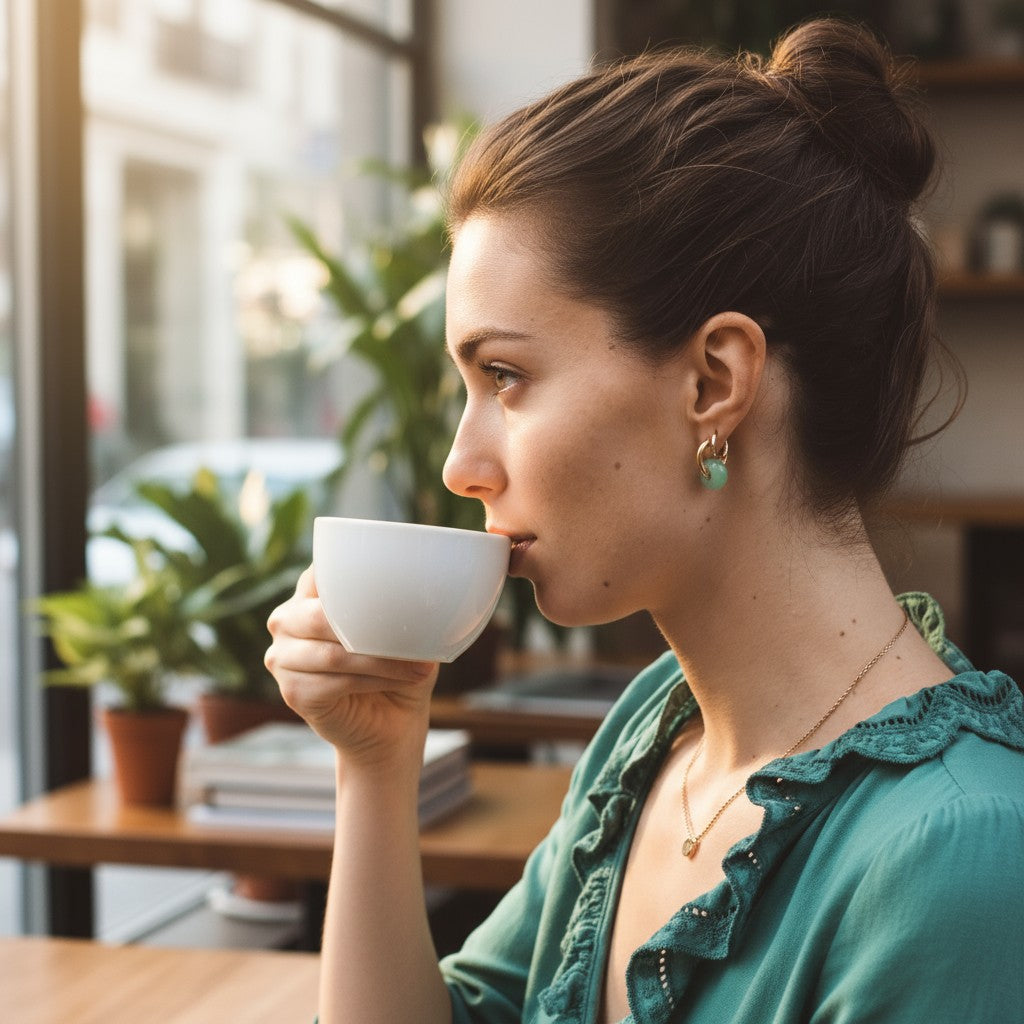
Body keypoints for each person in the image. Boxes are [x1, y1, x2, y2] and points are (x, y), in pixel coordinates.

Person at [265, 18, 1024, 1024]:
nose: (460, 463)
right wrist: (376, 761)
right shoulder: (654, 732)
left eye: (505, 376)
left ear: (714, 380)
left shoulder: (958, 861)